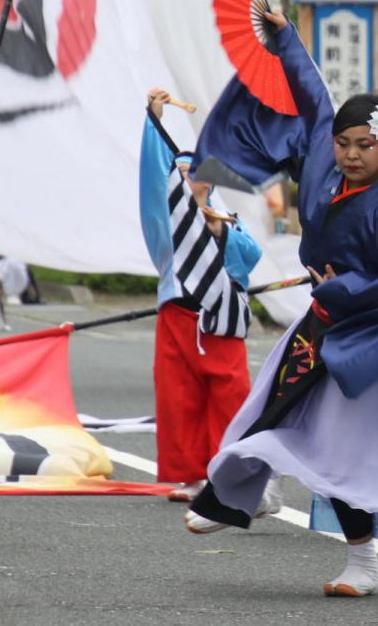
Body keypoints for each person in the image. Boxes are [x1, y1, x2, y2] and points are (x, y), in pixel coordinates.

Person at [188, 12, 378, 599]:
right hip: (321, 324)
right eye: (344, 144)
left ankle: (363, 564)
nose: (351, 154)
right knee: (264, 410)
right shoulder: (325, 168)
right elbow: (315, 96)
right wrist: (284, 38)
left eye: (365, 146)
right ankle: (237, 496)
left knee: (340, 452)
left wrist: (340, 290)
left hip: (369, 342)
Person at [139, 88, 262, 504]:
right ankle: (190, 474)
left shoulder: (228, 216)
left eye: (198, 171)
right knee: (178, 399)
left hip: (221, 317)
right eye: (185, 173)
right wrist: (154, 120)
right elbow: (153, 176)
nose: (192, 177)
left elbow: (251, 256)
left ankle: (222, 474)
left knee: (228, 398)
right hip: (179, 316)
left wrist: (219, 232)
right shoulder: (168, 218)